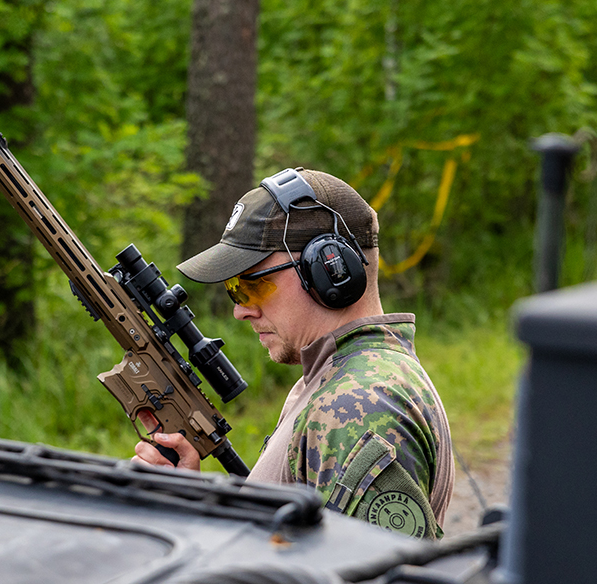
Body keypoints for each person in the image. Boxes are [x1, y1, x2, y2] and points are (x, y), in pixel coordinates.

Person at [134, 167, 454, 538]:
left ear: (330, 269)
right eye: (235, 289)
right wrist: (194, 504)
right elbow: (292, 552)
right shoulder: (334, 381)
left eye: (253, 284)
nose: (241, 309)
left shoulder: (358, 405)